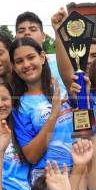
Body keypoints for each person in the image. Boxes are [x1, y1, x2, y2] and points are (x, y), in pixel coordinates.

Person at [10, 37, 74, 175]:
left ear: (42, 57)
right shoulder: (19, 106)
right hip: (46, 177)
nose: (26, 64)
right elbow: (32, 156)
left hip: (80, 169)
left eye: (30, 57)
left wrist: (58, 30)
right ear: (14, 67)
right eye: (19, 61)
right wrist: (54, 114)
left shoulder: (63, 86)